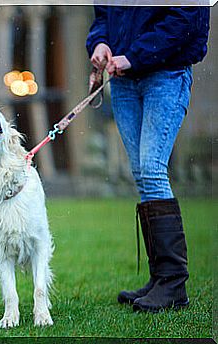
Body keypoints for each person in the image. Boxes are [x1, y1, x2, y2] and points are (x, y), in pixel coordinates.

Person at [86, 6, 210, 313]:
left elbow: (186, 20)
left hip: (165, 76)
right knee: (142, 172)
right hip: (124, 82)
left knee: (152, 170)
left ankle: (173, 285)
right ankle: (160, 280)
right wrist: (100, 44)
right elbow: (103, 18)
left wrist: (133, 56)